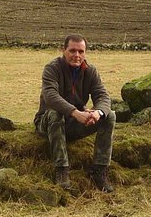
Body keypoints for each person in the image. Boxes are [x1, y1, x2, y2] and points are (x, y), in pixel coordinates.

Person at [33, 34, 116, 192]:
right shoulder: (52, 68)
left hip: (73, 124)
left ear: (85, 53)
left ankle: (99, 170)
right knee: (55, 114)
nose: (77, 55)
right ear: (63, 50)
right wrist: (76, 113)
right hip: (47, 122)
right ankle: (62, 171)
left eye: (81, 51)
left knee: (109, 115)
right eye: (72, 50)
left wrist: (98, 112)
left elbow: (102, 95)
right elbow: (50, 96)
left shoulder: (90, 71)